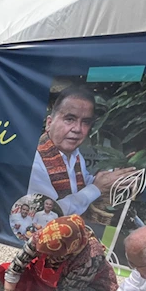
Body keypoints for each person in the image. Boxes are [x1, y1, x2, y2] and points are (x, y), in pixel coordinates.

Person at [0, 214, 118, 291]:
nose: (48, 258)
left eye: (54, 255)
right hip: (53, 280)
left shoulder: (90, 257)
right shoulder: (44, 236)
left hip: (87, 287)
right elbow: (15, 268)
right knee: (4, 270)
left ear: (69, 250)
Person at [27, 87, 135, 216]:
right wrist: (95, 188)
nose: (78, 129)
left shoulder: (75, 154)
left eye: (86, 122)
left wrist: (112, 176)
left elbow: (80, 183)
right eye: (70, 119)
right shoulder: (34, 162)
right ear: (49, 123)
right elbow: (51, 212)